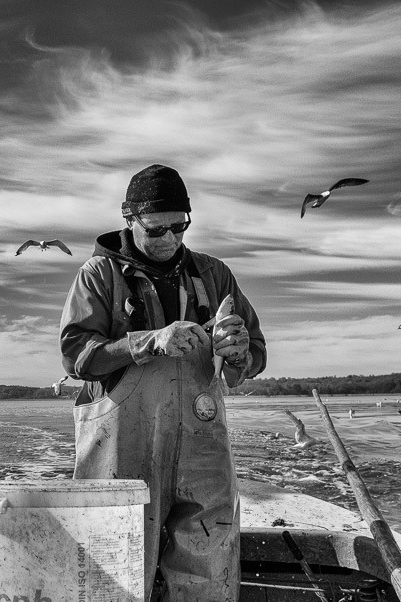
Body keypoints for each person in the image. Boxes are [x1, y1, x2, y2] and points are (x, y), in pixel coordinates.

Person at [59, 164, 266, 601]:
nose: (169, 239)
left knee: (209, 564)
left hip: (203, 444)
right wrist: (148, 342)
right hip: (122, 449)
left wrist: (239, 350)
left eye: (179, 227)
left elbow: (254, 354)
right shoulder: (98, 276)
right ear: (129, 220)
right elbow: (76, 354)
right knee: (114, 564)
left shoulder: (215, 274)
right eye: (156, 230)